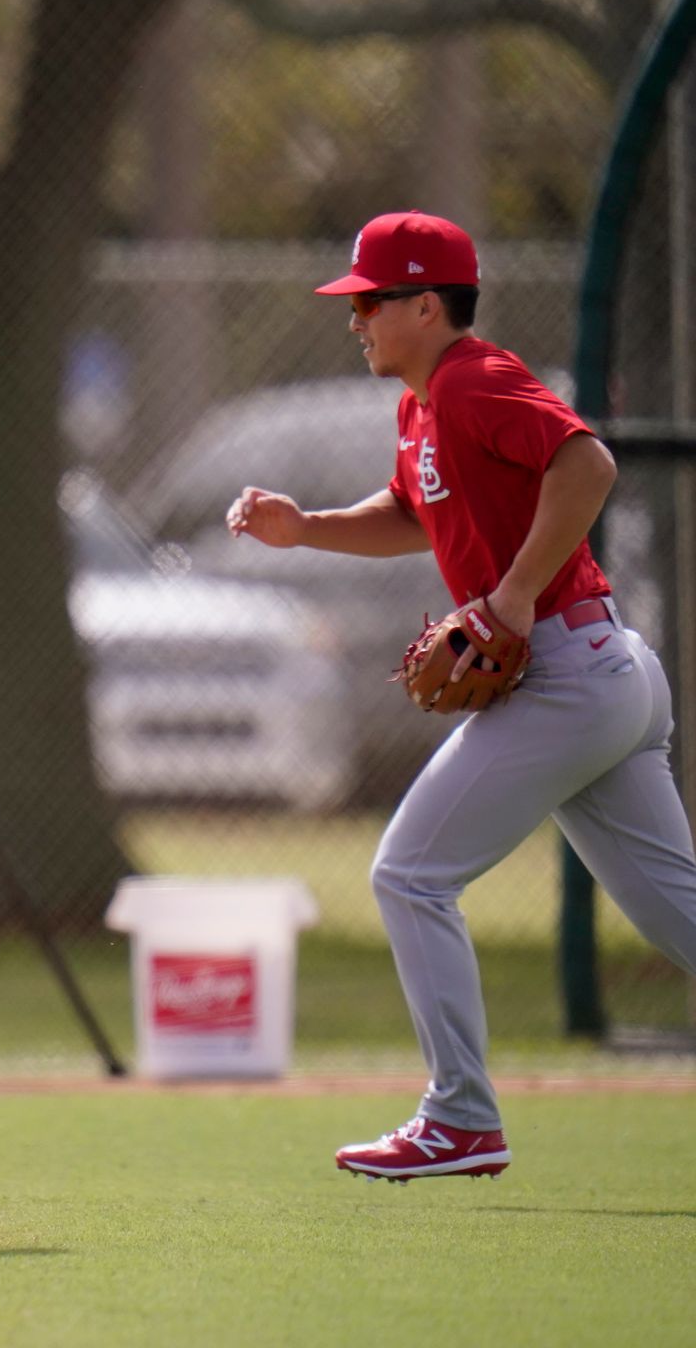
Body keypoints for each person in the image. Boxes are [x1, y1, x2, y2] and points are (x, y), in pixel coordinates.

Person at [227, 210, 696, 1180]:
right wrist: (304, 525)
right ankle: (460, 1115)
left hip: (569, 669)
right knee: (678, 917)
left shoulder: (476, 379)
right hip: (601, 674)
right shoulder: (421, 405)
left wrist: (516, 590)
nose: (353, 319)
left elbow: (588, 461)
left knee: (408, 875)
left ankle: (461, 1117)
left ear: (426, 304)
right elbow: (412, 511)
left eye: (369, 301)